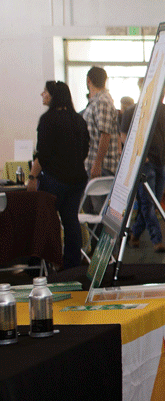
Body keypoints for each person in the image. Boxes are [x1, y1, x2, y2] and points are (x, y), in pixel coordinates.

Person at [26, 82, 90, 269]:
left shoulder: (48, 119)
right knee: (71, 221)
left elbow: (43, 154)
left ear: (53, 95)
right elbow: (85, 149)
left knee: (46, 221)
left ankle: (40, 263)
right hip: (77, 179)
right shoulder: (78, 119)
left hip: (55, 179)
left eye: (45, 91)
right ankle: (72, 265)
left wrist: (32, 177)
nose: (42, 94)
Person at [121, 81, 165, 253]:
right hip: (143, 165)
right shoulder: (131, 112)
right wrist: (139, 156)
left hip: (160, 162)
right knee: (148, 203)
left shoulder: (163, 110)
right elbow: (124, 137)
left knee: (152, 204)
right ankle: (157, 240)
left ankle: (135, 233)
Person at [82, 66, 120, 179]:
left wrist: (97, 164)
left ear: (88, 80)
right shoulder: (97, 101)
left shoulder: (102, 102)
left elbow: (105, 134)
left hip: (103, 167)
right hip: (96, 165)